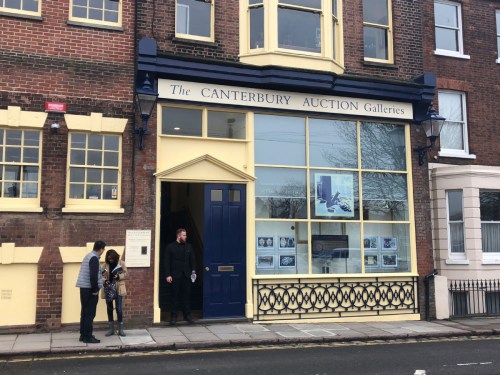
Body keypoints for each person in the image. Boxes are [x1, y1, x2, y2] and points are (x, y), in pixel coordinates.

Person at [76, 240, 105, 344]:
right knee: (90, 314)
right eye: (103, 249)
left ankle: (83, 335)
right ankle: (88, 336)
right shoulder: (94, 258)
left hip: (84, 288)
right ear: (101, 249)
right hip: (89, 289)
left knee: (84, 312)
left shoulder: (88, 256)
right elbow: (93, 276)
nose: (103, 251)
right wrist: (95, 290)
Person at [165, 228, 196, 325]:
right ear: (178, 236)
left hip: (186, 275)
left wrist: (193, 272)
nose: (185, 237)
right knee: (174, 297)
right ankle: (173, 316)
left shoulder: (189, 247)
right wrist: (168, 274)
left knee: (186, 296)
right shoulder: (170, 247)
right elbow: (166, 262)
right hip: (174, 275)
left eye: (185, 235)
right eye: (184, 235)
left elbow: (193, 261)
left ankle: (187, 316)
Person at [101, 249, 128, 337]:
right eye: (109, 259)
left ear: (115, 257)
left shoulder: (121, 263)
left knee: (119, 309)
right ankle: (111, 330)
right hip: (108, 289)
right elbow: (100, 276)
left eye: (112, 259)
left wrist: (119, 276)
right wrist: (105, 281)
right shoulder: (105, 265)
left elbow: (126, 274)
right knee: (109, 309)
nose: (110, 260)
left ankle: (121, 330)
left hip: (118, 288)